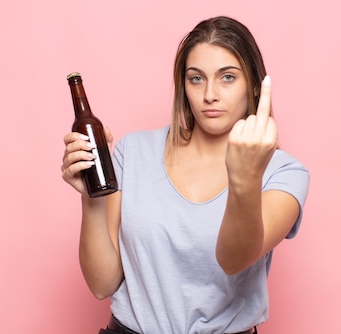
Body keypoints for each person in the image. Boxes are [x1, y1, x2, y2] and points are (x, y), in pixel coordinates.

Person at [61, 16, 309, 334]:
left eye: (228, 77)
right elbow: (101, 284)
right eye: (196, 79)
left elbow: (235, 259)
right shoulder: (132, 152)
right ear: (183, 86)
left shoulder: (284, 173)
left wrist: (246, 175)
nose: (210, 94)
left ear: (254, 85)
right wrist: (90, 197)